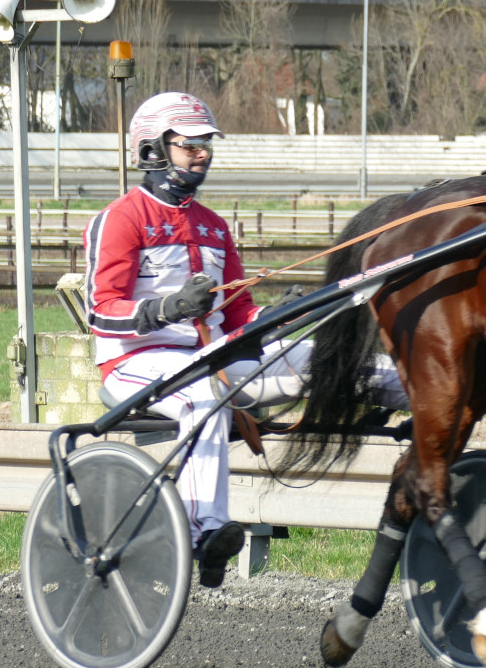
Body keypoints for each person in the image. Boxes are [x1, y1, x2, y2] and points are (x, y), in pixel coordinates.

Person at [83, 92, 314, 587]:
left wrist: (275, 317)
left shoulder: (213, 225)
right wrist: (167, 309)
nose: (203, 154)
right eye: (190, 145)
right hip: (134, 363)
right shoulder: (122, 218)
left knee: (315, 356)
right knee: (203, 396)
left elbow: (238, 314)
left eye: (206, 144)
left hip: (209, 357)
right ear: (153, 149)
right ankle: (203, 531)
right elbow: (100, 312)